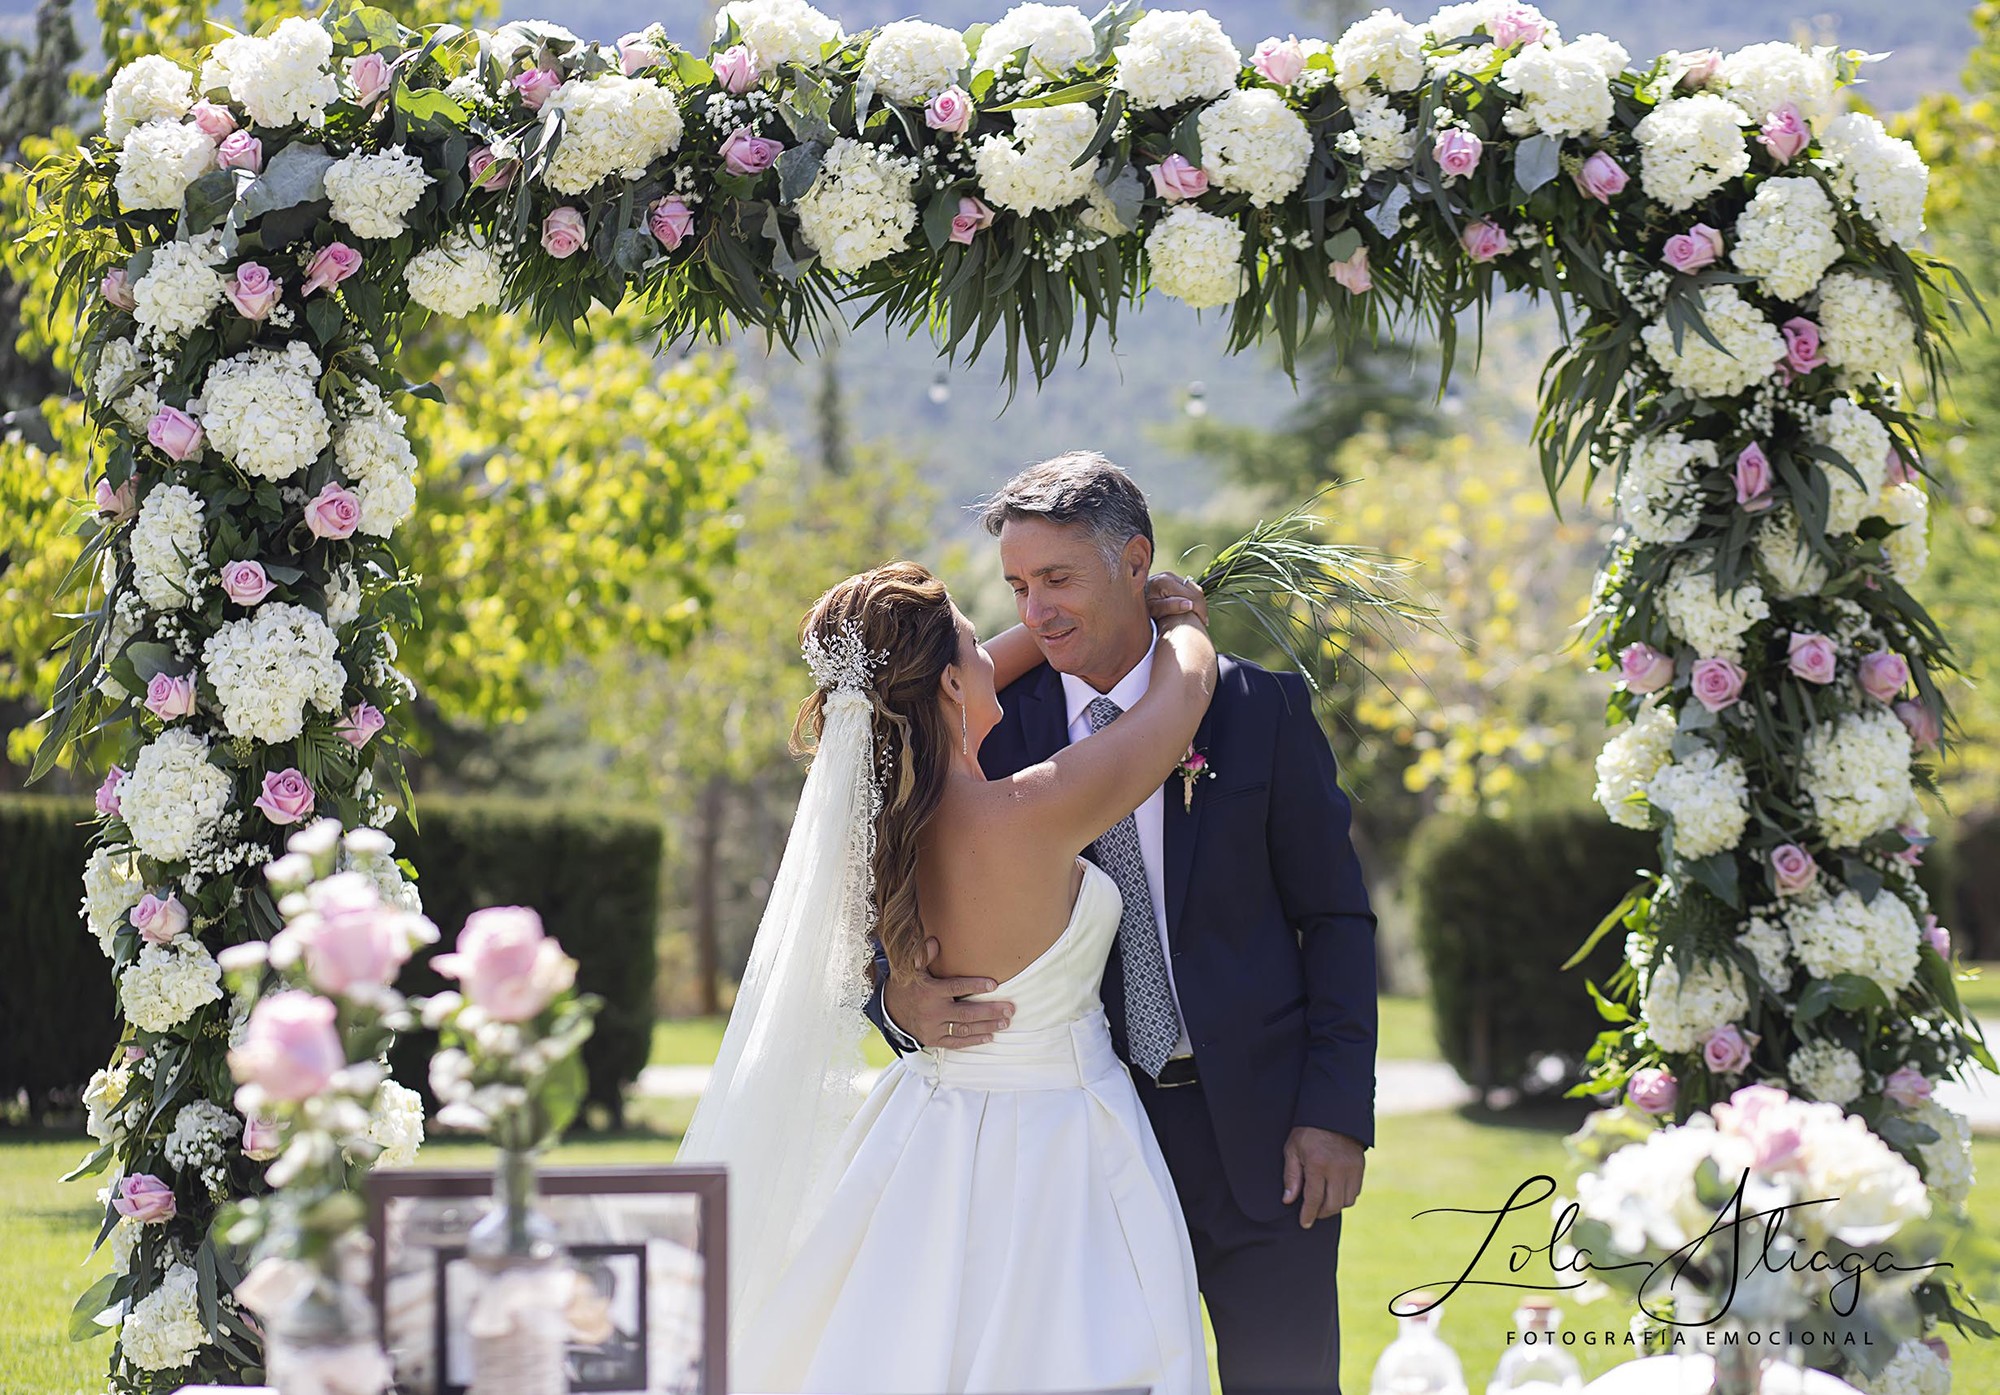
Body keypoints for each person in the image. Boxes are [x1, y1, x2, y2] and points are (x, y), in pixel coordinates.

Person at [870, 452, 1380, 1395]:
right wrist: (897, 993)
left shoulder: (1257, 709)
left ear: (1134, 559)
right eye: (1018, 586)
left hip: (1267, 1139)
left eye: (1057, 578)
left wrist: (1333, 1113)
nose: (1034, 612)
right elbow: (899, 887)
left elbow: (1337, 918)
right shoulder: (982, 724)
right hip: (1085, 1146)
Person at [679, 557, 1220, 1393]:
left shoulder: (890, 824)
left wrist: (1018, 638)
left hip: (929, 1128)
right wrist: (1178, 618)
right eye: (976, 639)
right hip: (1059, 1142)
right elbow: (1179, 700)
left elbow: (930, 679)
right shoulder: (1026, 814)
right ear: (944, 685)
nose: (999, 647)